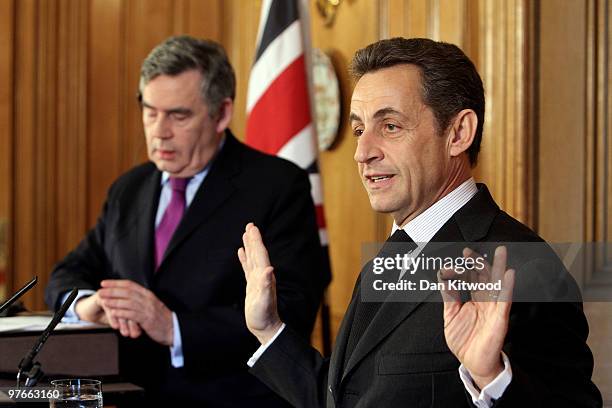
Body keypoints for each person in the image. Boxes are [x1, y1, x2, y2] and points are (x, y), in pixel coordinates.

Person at [239, 38, 602, 407]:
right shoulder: (391, 256)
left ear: (458, 133)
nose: (363, 153)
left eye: (391, 126)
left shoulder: (525, 267)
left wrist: (492, 380)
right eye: (360, 130)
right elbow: (346, 398)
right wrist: (269, 330)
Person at [45, 35, 329, 406]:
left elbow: (292, 310)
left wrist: (174, 328)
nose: (159, 131)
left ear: (221, 114)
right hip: (130, 396)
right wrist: (91, 304)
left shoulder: (277, 186)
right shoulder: (129, 188)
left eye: (178, 115)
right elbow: (66, 274)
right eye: (150, 111)